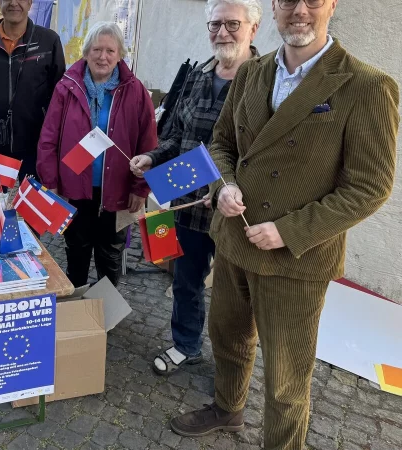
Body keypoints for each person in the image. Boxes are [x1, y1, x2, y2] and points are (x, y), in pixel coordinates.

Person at [169, 0, 399, 447]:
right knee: (227, 338)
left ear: (332, 5)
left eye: (312, 0)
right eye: (288, 1)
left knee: (286, 380)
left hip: (296, 257)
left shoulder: (367, 85)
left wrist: (289, 231)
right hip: (235, 239)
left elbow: (369, 187)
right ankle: (227, 409)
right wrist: (224, 186)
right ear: (274, 8)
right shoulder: (252, 73)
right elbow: (221, 144)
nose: (299, 10)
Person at [129, 0, 261, 376]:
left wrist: (227, 188)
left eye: (232, 24)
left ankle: (232, 367)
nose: (222, 32)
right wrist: (152, 157)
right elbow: (175, 133)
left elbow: (266, 154)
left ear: (253, 28)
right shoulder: (197, 75)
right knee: (186, 280)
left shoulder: (265, 81)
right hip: (189, 202)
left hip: (236, 208)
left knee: (235, 295)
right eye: (215, 24)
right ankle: (186, 345)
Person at [37, 22, 156, 288]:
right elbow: (48, 138)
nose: (103, 57)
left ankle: (106, 309)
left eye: (110, 51)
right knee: (76, 252)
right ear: (86, 52)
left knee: (110, 256)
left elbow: (148, 143)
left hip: (118, 188)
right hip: (74, 188)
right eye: (97, 49)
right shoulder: (66, 87)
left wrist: (140, 188)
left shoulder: (134, 90)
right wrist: (51, 182)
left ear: (120, 54)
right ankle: (77, 308)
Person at [0, 0, 66, 180]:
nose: (14, 3)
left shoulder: (48, 41)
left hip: (35, 140)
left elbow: (58, 89)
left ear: (30, 3)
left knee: (32, 196)